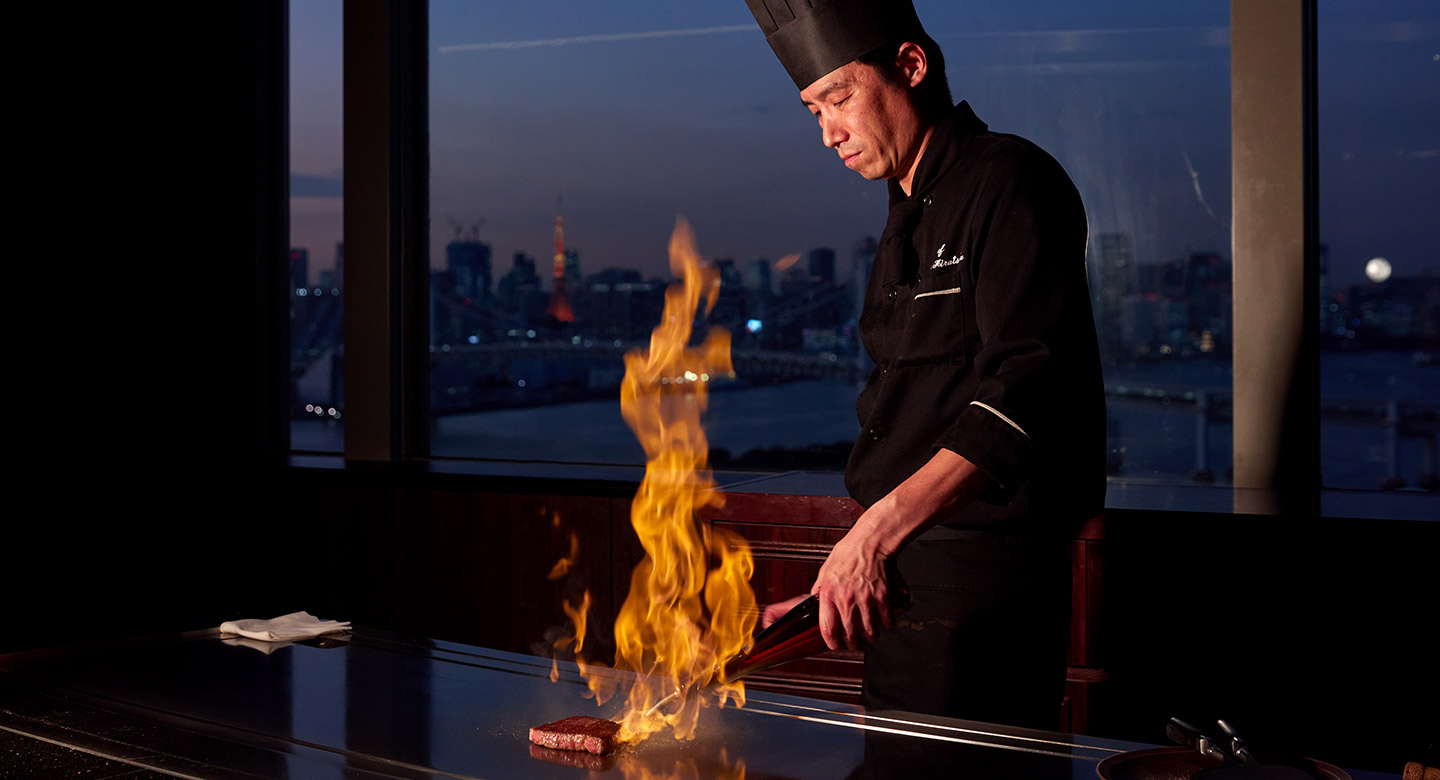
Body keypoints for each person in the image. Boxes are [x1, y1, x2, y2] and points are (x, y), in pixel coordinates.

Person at [744, 0, 1106, 729]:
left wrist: (871, 536)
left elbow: (1027, 392)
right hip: (899, 585)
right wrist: (835, 586)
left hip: (986, 600)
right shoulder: (900, 219)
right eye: (814, 112)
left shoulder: (1012, 181)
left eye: (839, 99)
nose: (828, 133)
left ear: (910, 66)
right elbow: (911, 420)